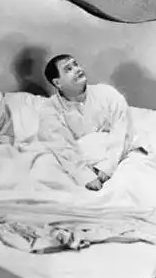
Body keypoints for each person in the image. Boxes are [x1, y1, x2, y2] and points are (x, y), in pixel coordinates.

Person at [36, 54, 131, 192]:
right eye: (68, 69)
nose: (77, 69)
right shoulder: (49, 109)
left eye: (75, 64)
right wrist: (86, 176)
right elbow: (61, 146)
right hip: (77, 164)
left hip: (115, 157)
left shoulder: (107, 93)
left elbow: (122, 130)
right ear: (57, 83)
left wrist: (107, 168)